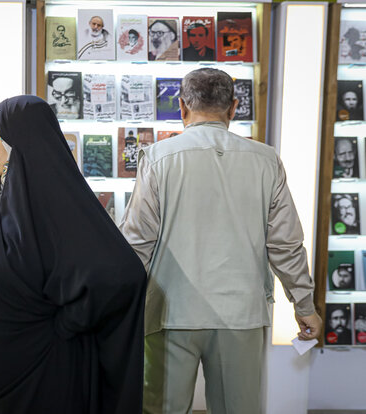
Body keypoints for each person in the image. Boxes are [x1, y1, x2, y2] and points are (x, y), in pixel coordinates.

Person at [119, 68, 321, 414]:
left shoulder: (157, 158)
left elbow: (137, 242)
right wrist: (304, 306)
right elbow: (285, 243)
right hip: (240, 313)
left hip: (170, 311)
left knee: (161, 409)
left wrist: (118, 307)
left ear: (182, 108)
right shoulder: (266, 160)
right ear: (234, 107)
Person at [0, 95, 146, 413]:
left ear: (21, 143)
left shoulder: (58, 207)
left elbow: (123, 275)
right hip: (5, 376)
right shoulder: (11, 198)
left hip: (45, 376)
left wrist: (66, 325)